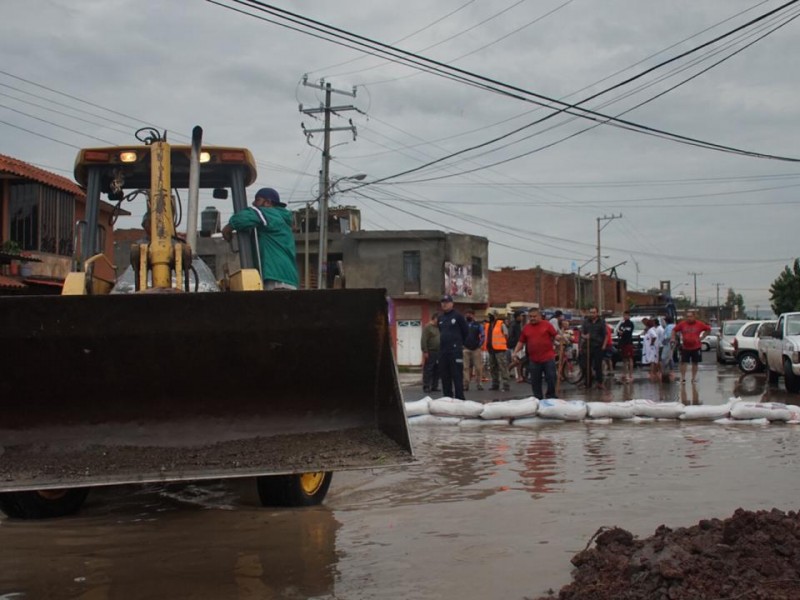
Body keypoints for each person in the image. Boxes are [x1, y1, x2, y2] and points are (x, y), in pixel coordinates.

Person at [221, 187, 298, 290]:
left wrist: (228, 227)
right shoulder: (281, 220)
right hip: (285, 279)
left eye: (257, 200)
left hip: (276, 279)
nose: (253, 203)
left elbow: (246, 217)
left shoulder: (272, 214)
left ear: (268, 203)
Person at [514, 308, 558, 399]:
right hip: (534, 359)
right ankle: (538, 398)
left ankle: (551, 396)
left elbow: (555, 335)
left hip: (548, 358)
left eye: (534, 316)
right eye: (530, 317)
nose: (532, 318)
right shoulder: (526, 328)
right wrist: (515, 352)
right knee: (535, 381)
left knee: (551, 378)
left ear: (540, 316)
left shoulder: (547, 324)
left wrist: (561, 338)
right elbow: (521, 342)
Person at [437, 295, 469, 399]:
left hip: (455, 352)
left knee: (457, 376)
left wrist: (459, 344)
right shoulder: (441, 318)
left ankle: (460, 399)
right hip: (443, 352)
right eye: (443, 302)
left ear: (452, 303)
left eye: (446, 302)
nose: (444, 304)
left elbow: (466, 332)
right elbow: (441, 332)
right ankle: (447, 399)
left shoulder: (458, 316)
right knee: (445, 377)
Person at [671, 310, 712, 383]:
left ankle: (693, 378)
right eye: (687, 317)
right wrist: (673, 338)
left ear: (694, 317)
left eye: (690, 316)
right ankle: (683, 378)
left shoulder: (699, 324)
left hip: (696, 347)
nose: (689, 318)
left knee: (695, 363)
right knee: (683, 362)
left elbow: (708, 329)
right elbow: (674, 330)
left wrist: (702, 337)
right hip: (685, 347)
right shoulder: (682, 324)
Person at [581, 307, 609, 389]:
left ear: (597, 313)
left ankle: (599, 382)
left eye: (593, 312)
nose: (592, 314)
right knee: (586, 365)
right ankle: (587, 383)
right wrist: (585, 336)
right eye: (591, 312)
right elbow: (582, 333)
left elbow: (606, 335)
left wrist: (604, 345)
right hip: (588, 346)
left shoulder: (601, 322)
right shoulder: (586, 322)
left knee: (598, 366)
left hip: (598, 346)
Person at [484, 310, 511, 391]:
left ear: (495, 315)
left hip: (500, 349)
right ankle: (495, 384)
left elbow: (506, 335)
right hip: (491, 349)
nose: (489, 317)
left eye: (491, 315)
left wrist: (503, 343)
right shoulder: (488, 325)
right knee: (493, 367)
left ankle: (506, 384)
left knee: (503, 367)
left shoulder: (501, 324)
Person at [462, 309, 485, 391]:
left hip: (476, 349)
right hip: (466, 349)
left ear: (473, 315)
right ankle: (465, 384)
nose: (468, 315)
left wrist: (479, 345)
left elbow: (482, 335)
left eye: (470, 314)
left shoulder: (478, 325)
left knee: (478, 368)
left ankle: (479, 384)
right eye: (467, 314)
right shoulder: (463, 325)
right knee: (465, 368)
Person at [420, 313, 440, 393]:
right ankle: (426, 386)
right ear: (434, 318)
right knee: (428, 369)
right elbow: (424, 339)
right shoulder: (428, 327)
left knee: (437, 370)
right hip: (431, 351)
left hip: (439, 352)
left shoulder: (439, 327)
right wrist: (425, 351)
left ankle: (434, 386)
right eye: (438, 319)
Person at [507, 310, 525, 383]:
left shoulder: (518, 324)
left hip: (518, 344)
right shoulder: (514, 325)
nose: (522, 318)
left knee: (519, 361)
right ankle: (507, 371)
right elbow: (511, 335)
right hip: (515, 345)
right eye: (521, 316)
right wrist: (516, 343)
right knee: (517, 361)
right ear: (517, 317)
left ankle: (519, 376)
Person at [618, 311, 635, 383]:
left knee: (630, 358)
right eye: (624, 315)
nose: (625, 316)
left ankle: (631, 375)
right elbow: (619, 331)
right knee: (624, 360)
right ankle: (624, 374)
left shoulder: (630, 324)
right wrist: (620, 332)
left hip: (628, 343)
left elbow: (628, 332)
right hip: (623, 343)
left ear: (629, 316)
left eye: (626, 315)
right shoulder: (622, 324)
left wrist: (622, 332)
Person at [661, 315, 676, 382]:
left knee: (665, 357)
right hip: (673, 343)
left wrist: (664, 341)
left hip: (668, 344)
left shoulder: (669, 327)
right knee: (670, 357)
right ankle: (671, 371)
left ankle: (668, 372)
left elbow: (668, 336)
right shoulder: (674, 325)